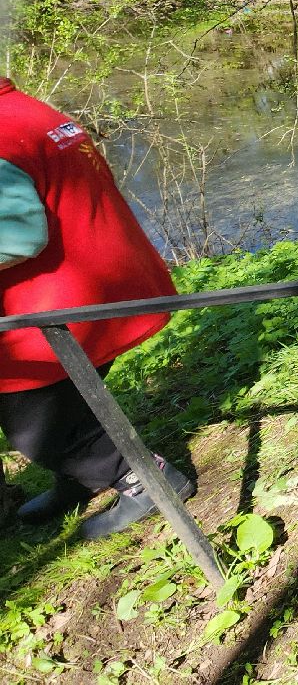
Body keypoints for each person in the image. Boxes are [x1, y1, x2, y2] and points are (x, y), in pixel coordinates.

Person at [0, 78, 195, 538]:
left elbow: (18, 237)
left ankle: (144, 480)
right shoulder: (19, 109)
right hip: (102, 284)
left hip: (59, 305)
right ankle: (79, 477)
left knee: (34, 428)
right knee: (70, 399)